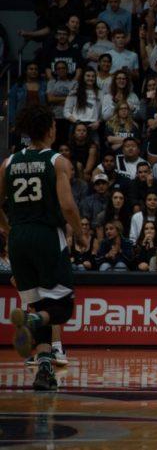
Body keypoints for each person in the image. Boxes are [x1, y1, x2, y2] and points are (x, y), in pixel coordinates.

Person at [2, 104, 83, 391]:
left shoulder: (8, 163)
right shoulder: (58, 161)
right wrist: (82, 234)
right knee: (61, 307)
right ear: (50, 129)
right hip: (48, 236)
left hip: (18, 238)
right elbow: (68, 206)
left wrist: (9, 229)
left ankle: (44, 369)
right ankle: (33, 320)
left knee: (37, 301)